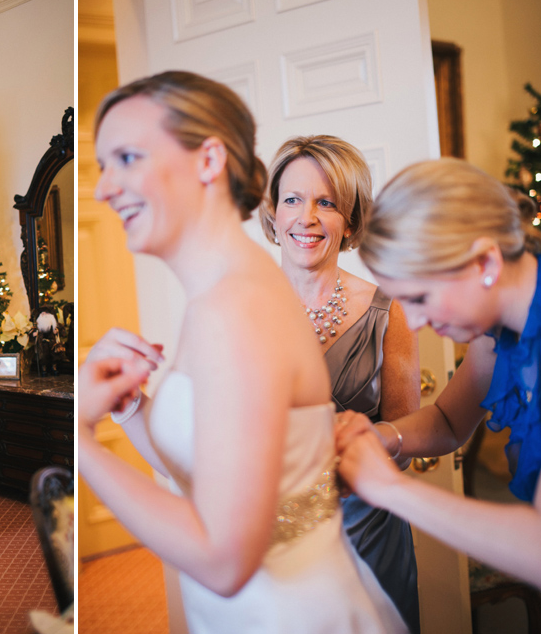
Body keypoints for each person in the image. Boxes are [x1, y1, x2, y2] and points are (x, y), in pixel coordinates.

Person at [80, 71, 408, 633]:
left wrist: (79, 443)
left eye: (127, 158)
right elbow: (204, 473)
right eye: (104, 165)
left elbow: (224, 561)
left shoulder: (236, 309)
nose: (103, 188)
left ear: (208, 161)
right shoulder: (229, 292)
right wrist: (131, 405)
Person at [335, 159, 541, 590]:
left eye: (421, 297)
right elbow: (449, 421)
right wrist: (384, 436)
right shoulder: (496, 332)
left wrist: (391, 490)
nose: (411, 322)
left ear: (485, 261)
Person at [258, 136, 421, 632]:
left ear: (349, 220)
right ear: (273, 213)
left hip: (367, 531)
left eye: (325, 202)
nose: (306, 217)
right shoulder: (240, 308)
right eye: (292, 199)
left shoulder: (387, 312)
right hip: (273, 537)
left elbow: (408, 440)